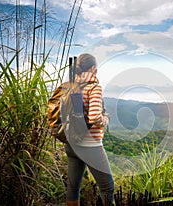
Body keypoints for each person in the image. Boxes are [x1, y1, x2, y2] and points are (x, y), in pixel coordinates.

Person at [65, 53, 114, 206]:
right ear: (93, 69)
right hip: (90, 146)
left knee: (73, 188)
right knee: (108, 187)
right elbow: (94, 118)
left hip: (71, 144)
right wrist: (105, 119)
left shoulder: (71, 86)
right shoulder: (94, 87)